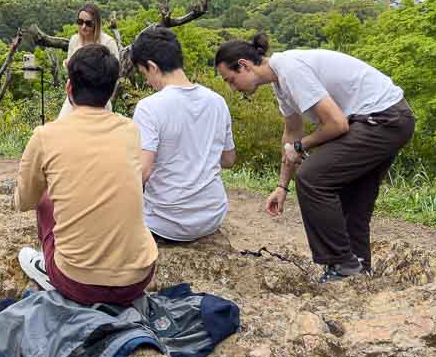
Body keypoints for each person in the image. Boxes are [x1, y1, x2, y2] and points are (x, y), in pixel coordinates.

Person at [215, 34, 415, 282]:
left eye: (231, 80)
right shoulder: (281, 82)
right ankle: (357, 268)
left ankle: (342, 263)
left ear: (244, 65)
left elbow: (336, 124)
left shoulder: (290, 70)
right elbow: (291, 133)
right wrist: (281, 186)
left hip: (383, 119)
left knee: (312, 177)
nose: (233, 88)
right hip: (381, 119)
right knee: (352, 195)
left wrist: (301, 146)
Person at [15, 45, 157, 306]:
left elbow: (24, 201)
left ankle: (48, 269)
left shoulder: (46, 136)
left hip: (78, 283)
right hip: (138, 279)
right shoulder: (130, 131)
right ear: (112, 90)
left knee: (46, 200)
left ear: (69, 88)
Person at [130, 27, 236, 243]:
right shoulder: (217, 101)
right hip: (212, 216)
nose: (148, 83)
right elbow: (228, 159)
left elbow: (143, 171)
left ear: (152, 67)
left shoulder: (149, 107)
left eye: (144, 74)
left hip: (166, 223)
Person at [57, 2, 121, 118]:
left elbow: (114, 74)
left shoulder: (108, 43)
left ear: (96, 24)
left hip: (99, 97)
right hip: (76, 96)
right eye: (80, 22)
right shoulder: (74, 40)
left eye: (88, 23)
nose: (83, 27)